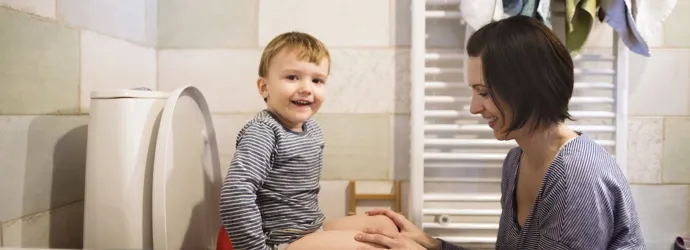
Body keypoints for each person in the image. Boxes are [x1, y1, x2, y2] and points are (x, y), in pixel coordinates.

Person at [353, 15, 645, 250]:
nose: (474, 107)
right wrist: (431, 244)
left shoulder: (576, 177)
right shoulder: (516, 162)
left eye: (484, 92)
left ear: (528, 88)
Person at [219, 31, 398, 250]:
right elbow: (235, 193)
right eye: (292, 77)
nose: (306, 88)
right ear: (264, 87)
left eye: (317, 80)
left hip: (309, 228)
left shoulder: (312, 129)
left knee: (387, 227)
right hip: (278, 240)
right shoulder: (264, 132)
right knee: (378, 247)